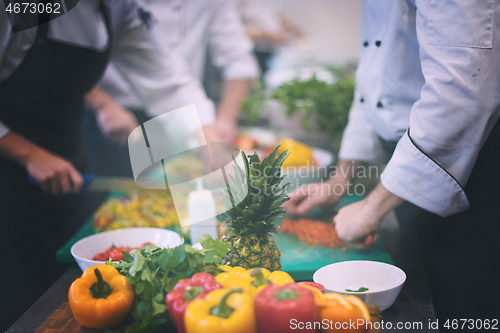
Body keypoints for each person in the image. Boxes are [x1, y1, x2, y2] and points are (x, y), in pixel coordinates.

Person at [0, 0, 216, 329]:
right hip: (8, 171)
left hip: (69, 157)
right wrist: (29, 154)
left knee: (68, 284)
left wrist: (207, 136)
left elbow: (166, 77)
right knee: (18, 298)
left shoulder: (118, 6)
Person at [286, 0, 500, 327]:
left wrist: (370, 209)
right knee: (426, 287)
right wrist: (339, 181)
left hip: (469, 163)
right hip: (408, 165)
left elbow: (463, 92)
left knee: (467, 307)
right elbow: (372, 84)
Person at [85, 0, 259, 177]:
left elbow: (168, 79)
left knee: (176, 187)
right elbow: (72, 62)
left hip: (183, 113)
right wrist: (103, 104)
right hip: (118, 116)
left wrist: (215, 127)